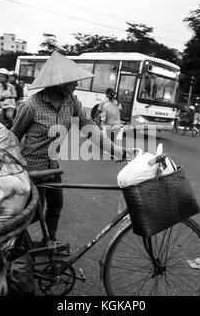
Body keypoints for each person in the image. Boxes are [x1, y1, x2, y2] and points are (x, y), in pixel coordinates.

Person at [11, 51, 133, 244]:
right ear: (59, 84)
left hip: (52, 165)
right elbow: (13, 136)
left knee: (56, 205)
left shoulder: (72, 102)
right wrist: (14, 169)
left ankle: (49, 242)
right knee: (34, 213)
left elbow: (90, 128)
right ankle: (14, 244)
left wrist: (119, 151)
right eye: (72, 81)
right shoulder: (31, 106)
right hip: (32, 167)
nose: (77, 84)